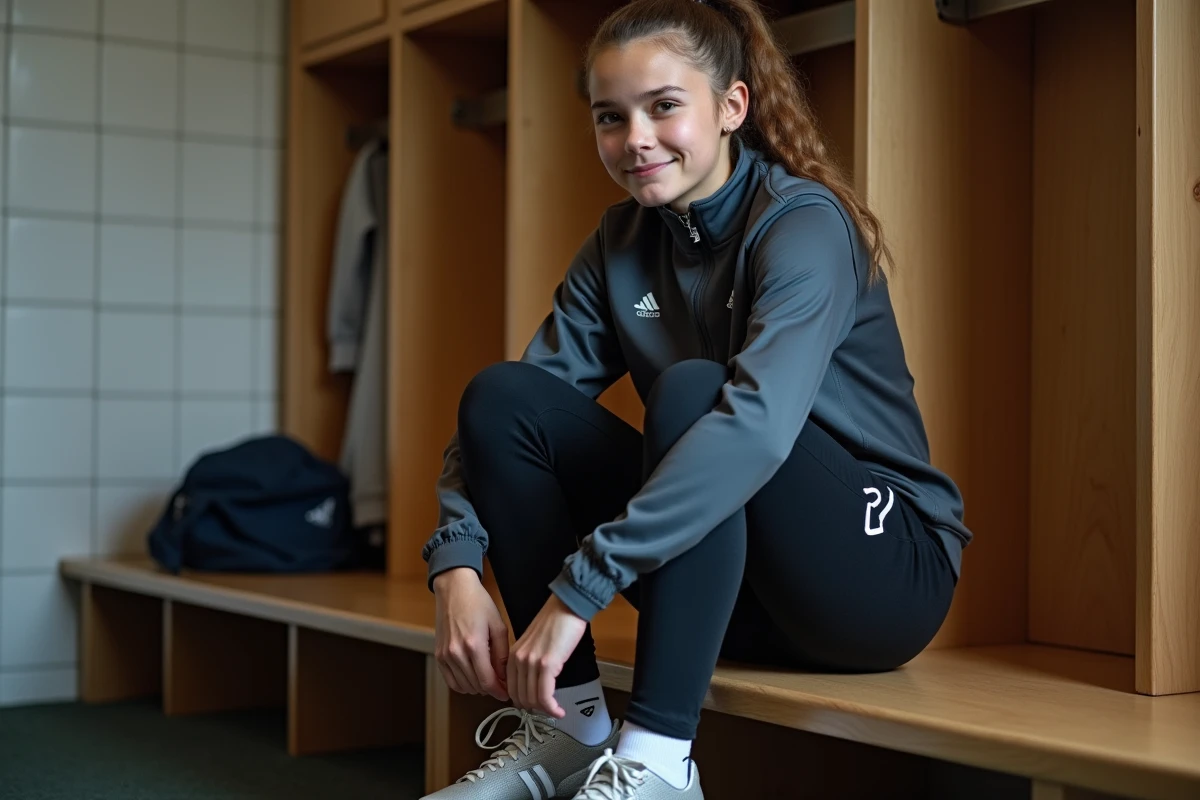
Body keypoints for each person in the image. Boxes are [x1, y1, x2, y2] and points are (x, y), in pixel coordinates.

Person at [419, 0, 969, 797]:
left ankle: (657, 765)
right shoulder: (619, 245)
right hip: (728, 594)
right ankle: (570, 730)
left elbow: (756, 431)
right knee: (503, 398)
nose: (635, 138)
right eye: (611, 117)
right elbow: (511, 415)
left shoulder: (803, 224)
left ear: (731, 106)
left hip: (878, 583)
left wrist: (580, 589)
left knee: (695, 394)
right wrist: (457, 563)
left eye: (663, 106)